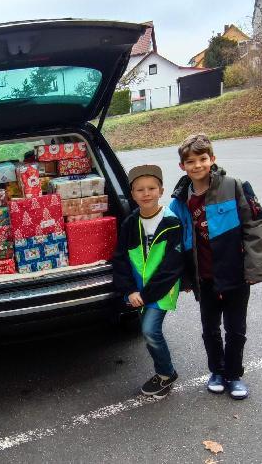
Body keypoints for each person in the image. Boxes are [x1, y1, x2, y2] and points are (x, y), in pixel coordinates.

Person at [170, 133, 262, 400]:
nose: (197, 165)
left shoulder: (235, 186)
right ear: (182, 166)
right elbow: (178, 243)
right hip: (205, 278)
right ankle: (217, 371)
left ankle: (234, 375)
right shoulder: (180, 200)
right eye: (191, 161)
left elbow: (254, 226)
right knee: (210, 329)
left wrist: (254, 269)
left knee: (236, 330)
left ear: (212, 159)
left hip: (234, 274)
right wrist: (186, 279)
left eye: (202, 159)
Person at [113, 165, 184, 399]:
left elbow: (172, 267)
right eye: (140, 189)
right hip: (138, 290)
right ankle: (164, 372)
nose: (146, 193)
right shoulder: (130, 223)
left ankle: (166, 374)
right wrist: (131, 290)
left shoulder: (172, 222)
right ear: (132, 194)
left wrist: (146, 294)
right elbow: (121, 259)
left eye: (151, 188)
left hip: (161, 291)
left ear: (161, 190)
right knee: (149, 333)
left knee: (150, 330)